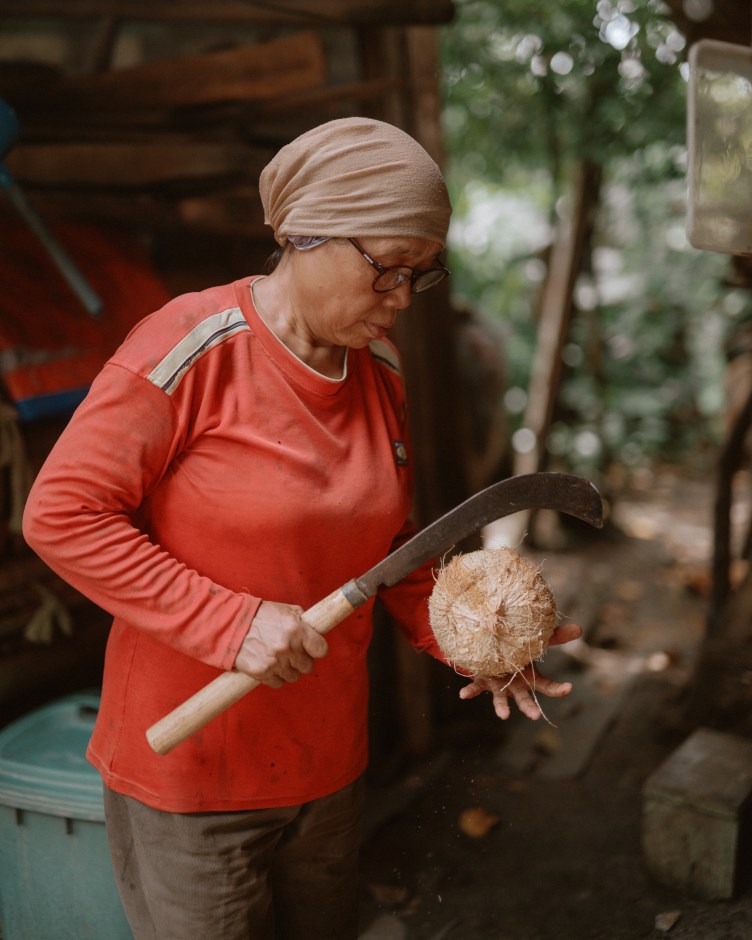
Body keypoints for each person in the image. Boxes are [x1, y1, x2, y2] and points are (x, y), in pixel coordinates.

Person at [21, 117, 582, 940]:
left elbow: (390, 545)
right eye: (388, 268)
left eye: (419, 277)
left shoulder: (379, 369)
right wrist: (231, 623)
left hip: (326, 768)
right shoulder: (192, 346)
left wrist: (473, 638)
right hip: (195, 780)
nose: (399, 300)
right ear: (305, 234)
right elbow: (60, 515)